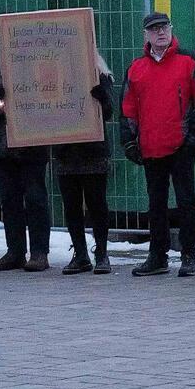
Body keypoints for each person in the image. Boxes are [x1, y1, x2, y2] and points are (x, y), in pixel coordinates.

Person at [122, 12, 195, 278]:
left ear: (171, 29)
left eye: (164, 27)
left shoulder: (189, 61)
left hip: (181, 144)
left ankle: (189, 255)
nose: (161, 33)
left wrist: (192, 138)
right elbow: (128, 108)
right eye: (154, 29)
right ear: (146, 35)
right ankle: (157, 255)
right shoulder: (136, 68)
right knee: (155, 203)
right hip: (150, 145)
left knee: (185, 200)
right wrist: (129, 142)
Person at [0, 65, 52, 271]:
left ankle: (39, 253)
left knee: (36, 198)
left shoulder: (41, 63)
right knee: (9, 200)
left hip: (32, 143)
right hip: (2, 145)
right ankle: (15, 252)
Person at [54, 59, 115, 276]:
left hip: (93, 151)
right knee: (71, 206)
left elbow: (108, 112)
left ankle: (102, 253)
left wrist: (102, 98)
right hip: (65, 150)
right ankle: (80, 254)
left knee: (97, 204)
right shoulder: (54, 72)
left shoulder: (99, 74)